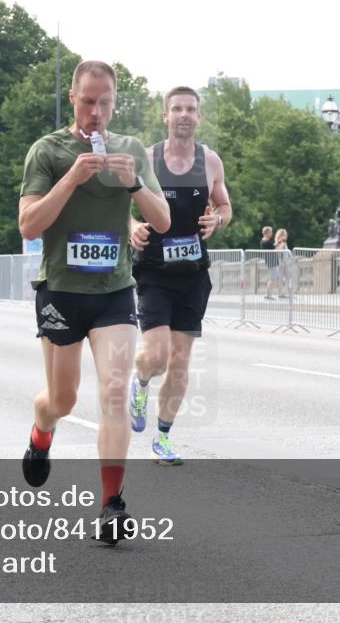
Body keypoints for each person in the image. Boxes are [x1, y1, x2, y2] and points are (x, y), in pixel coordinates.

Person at [18, 61, 170, 543]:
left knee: (112, 393)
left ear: (115, 102)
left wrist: (134, 185)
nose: (96, 112)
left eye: (105, 103)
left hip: (114, 293)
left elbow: (163, 221)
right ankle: (41, 432)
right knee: (62, 399)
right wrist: (70, 180)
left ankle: (111, 504)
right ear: (73, 98)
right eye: (88, 102)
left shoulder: (129, 151)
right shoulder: (48, 150)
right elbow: (28, 226)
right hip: (62, 291)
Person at [128, 85, 231, 466]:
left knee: (181, 361)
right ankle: (139, 385)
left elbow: (224, 203)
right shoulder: (148, 158)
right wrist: (130, 226)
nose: (184, 115)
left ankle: (162, 439)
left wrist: (217, 219)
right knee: (155, 356)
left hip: (193, 273)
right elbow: (118, 205)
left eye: (191, 109)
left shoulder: (211, 161)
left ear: (198, 117)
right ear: (165, 116)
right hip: (154, 269)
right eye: (177, 109)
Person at [260, 226, 279, 299]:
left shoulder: (264, 241)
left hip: (271, 261)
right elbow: (274, 248)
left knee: (272, 278)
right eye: (270, 232)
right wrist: (279, 243)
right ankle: (268, 295)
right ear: (267, 233)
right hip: (272, 261)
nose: (271, 234)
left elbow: (273, 247)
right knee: (272, 278)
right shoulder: (266, 241)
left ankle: (269, 294)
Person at [274, 228, 290, 298]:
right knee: (280, 278)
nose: (285, 236)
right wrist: (281, 243)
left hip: (286, 263)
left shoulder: (285, 243)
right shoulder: (277, 243)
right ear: (280, 236)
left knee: (287, 278)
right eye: (284, 235)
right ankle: (280, 293)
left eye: (286, 235)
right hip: (280, 263)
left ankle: (285, 292)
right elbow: (277, 251)